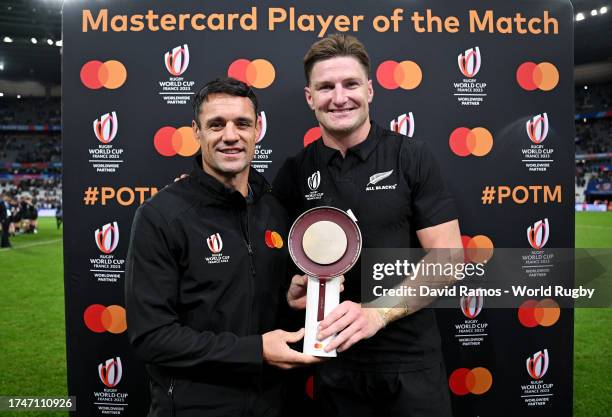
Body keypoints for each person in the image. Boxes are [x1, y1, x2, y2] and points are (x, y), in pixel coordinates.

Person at [274, 34, 463, 417]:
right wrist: (291, 288)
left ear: (371, 91)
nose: (339, 97)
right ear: (310, 97)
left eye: (351, 84)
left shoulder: (411, 156)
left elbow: (449, 257)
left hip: (410, 363)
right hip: (334, 365)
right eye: (325, 87)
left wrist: (378, 312)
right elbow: (267, 253)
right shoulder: (295, 171)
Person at [125, 78, 320, 417]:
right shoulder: (161, 216)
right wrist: (255, 350)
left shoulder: (275, 209)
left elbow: (255, 307)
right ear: (196, 132)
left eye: (242, 123)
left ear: (258, 129)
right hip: (195, 407)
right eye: (216, 124)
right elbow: (151, 336)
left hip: (273, 404)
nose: (230, 135)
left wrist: (290, 298)